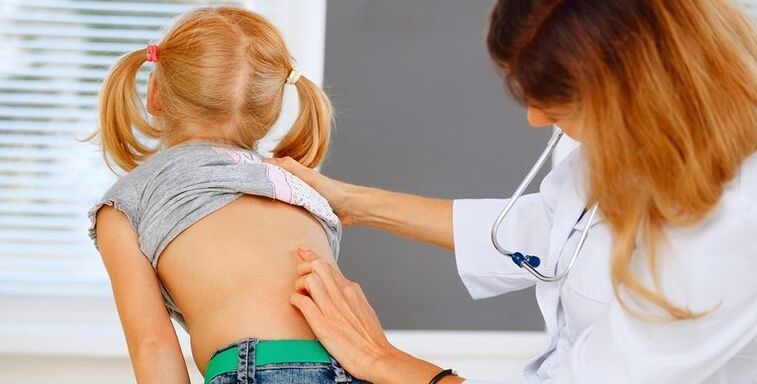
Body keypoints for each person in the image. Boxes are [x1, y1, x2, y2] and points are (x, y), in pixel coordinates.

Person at [269, 1, 757, 383]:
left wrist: (384, 360)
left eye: (557, 100)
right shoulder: (641, 143)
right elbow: (551, 231)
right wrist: (353, 203)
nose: (536, 118)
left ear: (636, 89)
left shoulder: (730, 225)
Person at [84, 7, 368, 384]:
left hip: (253, 368)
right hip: (354, 363)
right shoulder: (297, 186)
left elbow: (154, 347)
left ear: (154, 92)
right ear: (269, 111)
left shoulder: (128, 201)